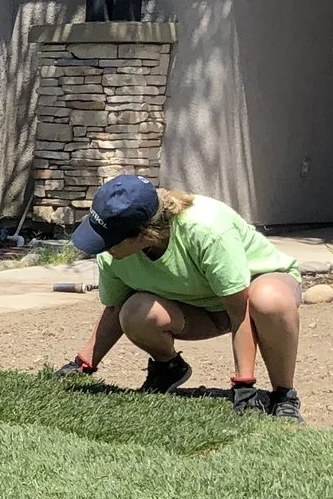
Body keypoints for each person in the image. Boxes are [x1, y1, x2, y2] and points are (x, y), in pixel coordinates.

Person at [54, 174, 305, 419]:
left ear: (144, 235)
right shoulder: (113, 256)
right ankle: (169, 369)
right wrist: (83, 364)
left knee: (269, 300)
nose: (102, 248)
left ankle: (284, 396)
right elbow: (114, 308)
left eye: (108, 241)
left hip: (254, 290)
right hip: (206, 309)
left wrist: (244, 385)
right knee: (134, 312)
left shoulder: (206, 229)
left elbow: (239, 312)